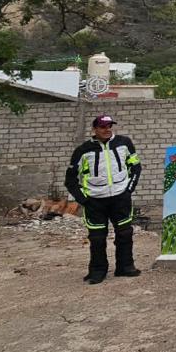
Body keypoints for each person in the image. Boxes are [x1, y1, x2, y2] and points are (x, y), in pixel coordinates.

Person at [64, 115, 142, 284]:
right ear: (94, 129)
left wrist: (129, 190)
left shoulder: (124, 143)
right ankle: (97, 271)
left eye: (109, 126)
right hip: (95, 201)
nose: (107, 130)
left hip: (120, 198)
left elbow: (136, 167)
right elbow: (70, 179)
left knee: (125, 233)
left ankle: (125, 267)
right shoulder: (83, 150)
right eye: (102, 127)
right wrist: (83, 199)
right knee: (97, 237)